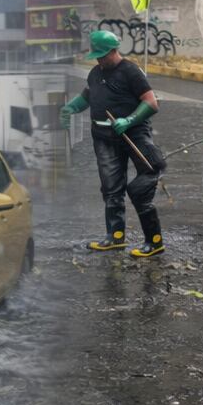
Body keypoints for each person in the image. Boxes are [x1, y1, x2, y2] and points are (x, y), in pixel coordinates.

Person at [60, 30, 167, 257]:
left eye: (102, 55)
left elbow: (151, 103)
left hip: (133, 134)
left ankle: (154, 240)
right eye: (96, 56)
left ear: (113, 51)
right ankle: (115, 236)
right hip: (103, 137)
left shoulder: (130, 71)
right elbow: (87, 97)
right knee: (111, 188)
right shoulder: (95, 73)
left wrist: (129, 120)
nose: (99, 60)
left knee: (142, 185)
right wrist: (72, 107)